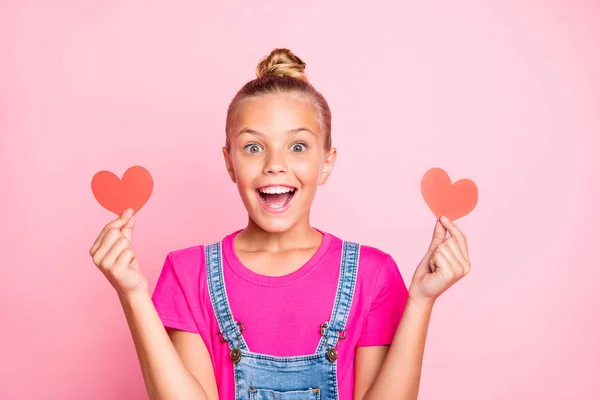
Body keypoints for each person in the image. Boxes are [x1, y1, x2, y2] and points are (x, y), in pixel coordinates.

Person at [89, 48, 471, 400]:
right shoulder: (188, 274)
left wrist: (421, 300)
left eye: (298, 146)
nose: (275, 164)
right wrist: (133, 294)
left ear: (327, 162)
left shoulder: (373, 274)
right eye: (253, 147)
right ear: (229, 162)